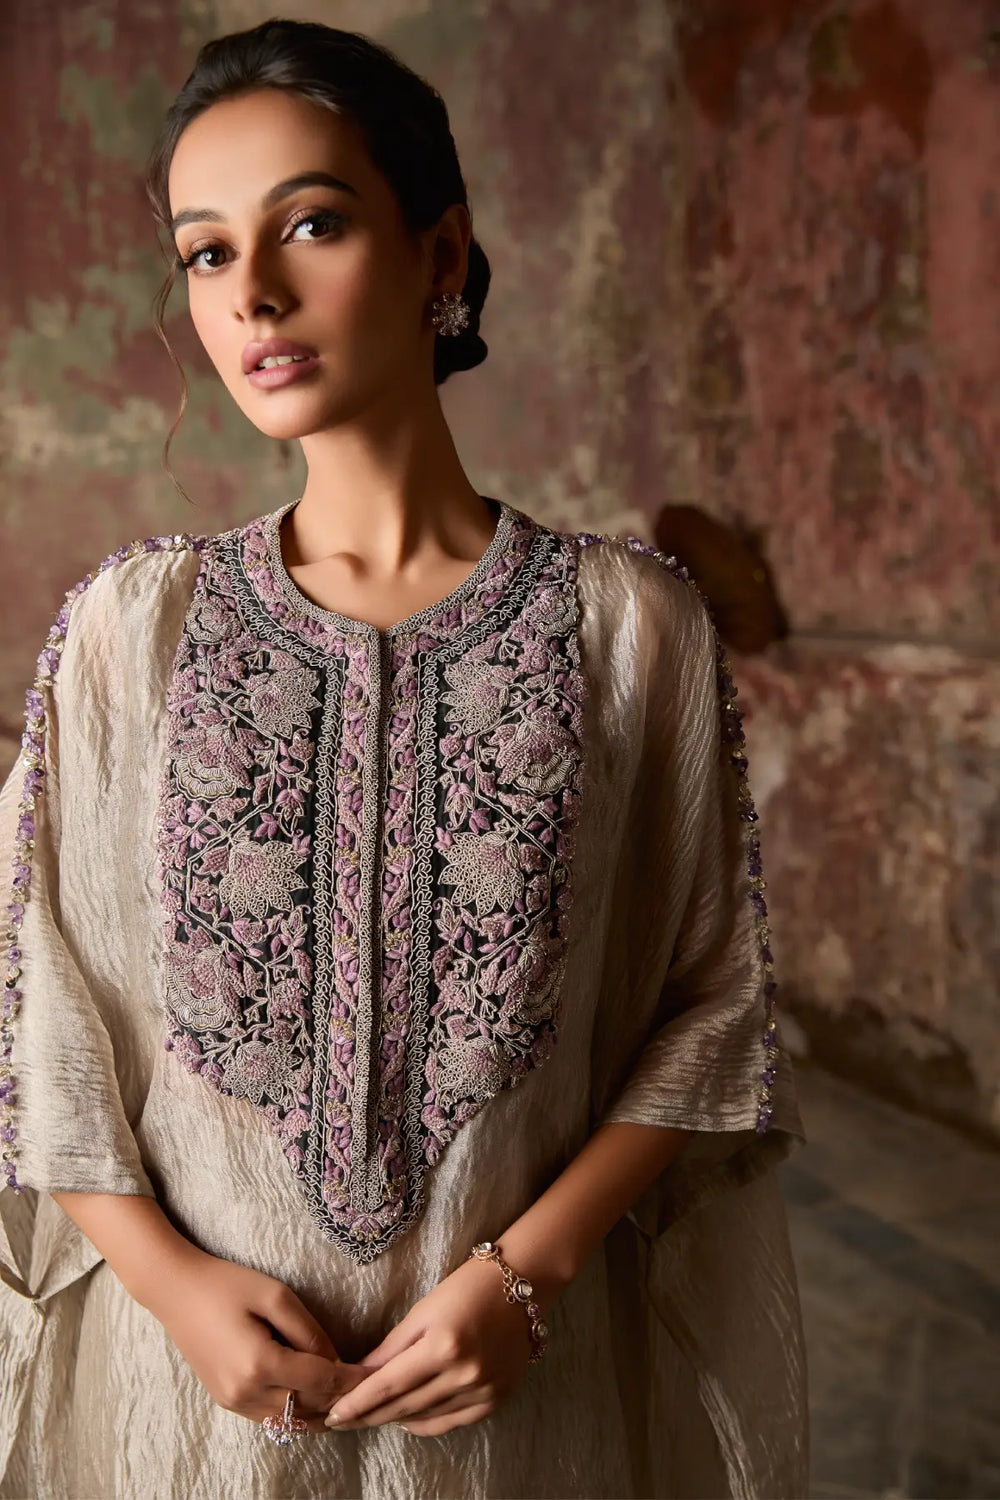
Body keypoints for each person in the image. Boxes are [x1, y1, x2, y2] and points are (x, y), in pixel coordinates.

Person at [0, 18, 807, 1499]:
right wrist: (171, 1285)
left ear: (442, 257)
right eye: (204, 252)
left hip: (518, 1408)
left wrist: (530, 1270)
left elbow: (714, 1001)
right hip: (198, 1418)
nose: (253, 292)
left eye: (311, 223)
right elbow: (34, 992)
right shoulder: (135, 625)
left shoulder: (631, 628)